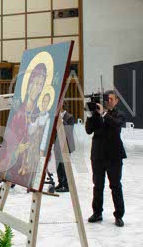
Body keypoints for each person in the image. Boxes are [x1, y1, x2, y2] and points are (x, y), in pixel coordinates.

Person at [85, 90, 126, 227]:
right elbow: (88, 130)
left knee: (115, 186)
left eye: (111, 99)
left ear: (116, 101)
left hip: (114, 156)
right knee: (97, 185)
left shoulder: (119, 114)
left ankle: (119, 215)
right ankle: (97, 213)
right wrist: (90, 115)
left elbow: (116, 126)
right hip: (98, 155)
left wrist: (104, 113)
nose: (109, 101)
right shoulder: (97, 114)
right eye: (107, 99)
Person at [54, 106, 75, 192]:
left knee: (65, 165)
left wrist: (61, 121)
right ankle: (60, 182)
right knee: (58, 165)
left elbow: (69, 130)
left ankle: (66, 185)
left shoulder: (69, 117)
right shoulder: (56, 116)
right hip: (57, 144)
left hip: (66, 144)